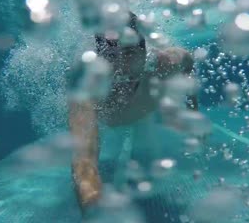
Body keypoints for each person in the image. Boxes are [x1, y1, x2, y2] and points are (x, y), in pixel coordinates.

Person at [69, 12, 198, 212]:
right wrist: (95, 208)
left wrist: (192, 106)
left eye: (129, 52)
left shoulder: (163, 63)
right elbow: (84, 166)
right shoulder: (87, 90)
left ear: (144, 49)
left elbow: (188, 62)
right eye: (111, 55)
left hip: (144, 109)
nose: (121, 66)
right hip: (117, 115)